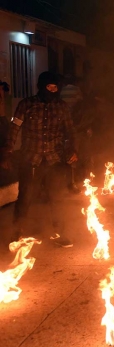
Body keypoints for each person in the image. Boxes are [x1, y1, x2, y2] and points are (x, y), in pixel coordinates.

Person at [0, 71, 78, 248]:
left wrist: (73, 149)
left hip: (54, 159)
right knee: (25, 196)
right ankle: (16, 232)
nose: (52, 90)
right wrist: (7, 151)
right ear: (41, 87)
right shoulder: (26, 105)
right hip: (30, 159)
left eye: (55, 87)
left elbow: (70, 130)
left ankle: (60, 232)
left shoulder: (62, 107)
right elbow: (14, 128)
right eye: (49, 87)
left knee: (56, 197)